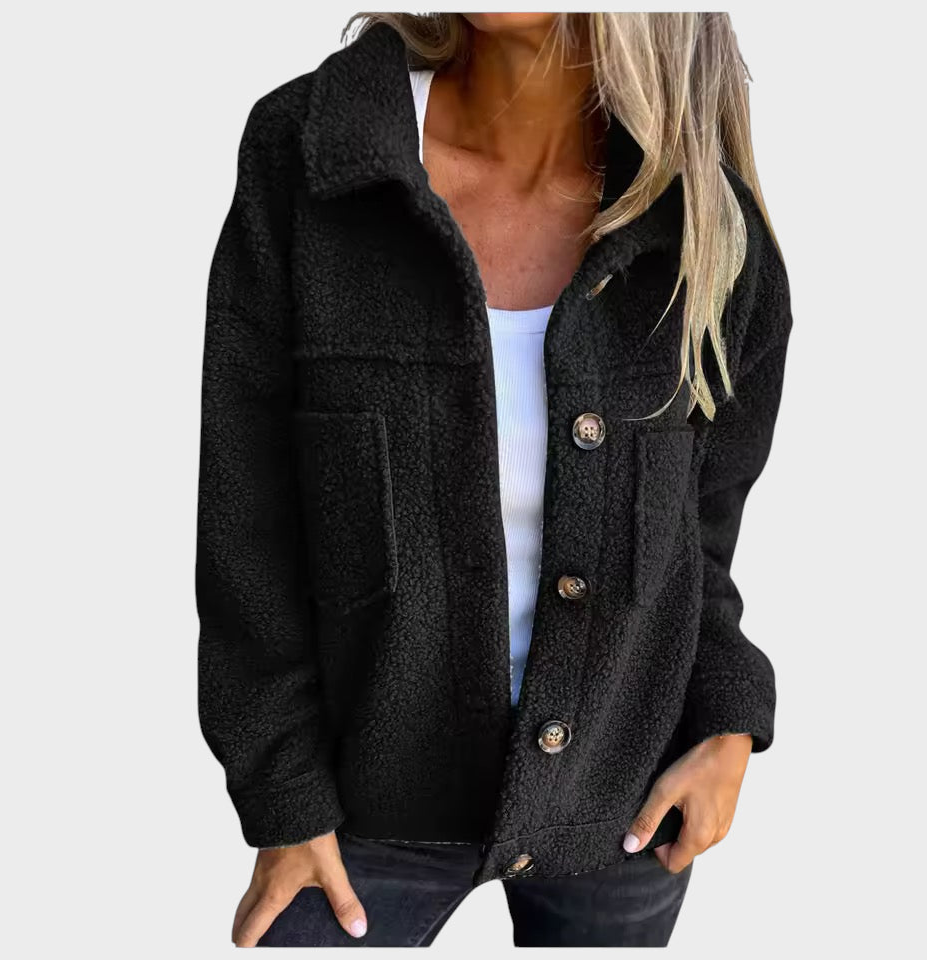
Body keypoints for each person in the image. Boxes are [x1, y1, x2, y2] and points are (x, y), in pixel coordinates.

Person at [196, 12, 793, 948]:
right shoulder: (316, 156)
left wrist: (727, 723)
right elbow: (246, 520)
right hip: (354, 816)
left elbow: (702, 540)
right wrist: (283, 795)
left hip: (624, 812)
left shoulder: (704, 227)